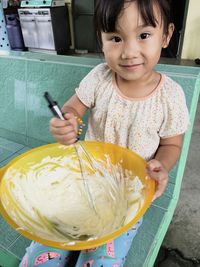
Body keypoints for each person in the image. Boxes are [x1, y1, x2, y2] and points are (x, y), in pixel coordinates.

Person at [19, 0, 189, 266]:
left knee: (102, 261)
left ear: (166, 35)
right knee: (44, 250)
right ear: (101, 39)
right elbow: (73, 107)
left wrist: (161, 164)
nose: (129, 52)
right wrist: (68, 120)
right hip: (82, 182)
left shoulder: (171, 96)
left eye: (144, 35)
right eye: (116, 38)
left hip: (130, 195)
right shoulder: (100, 77)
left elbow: (172, 144)